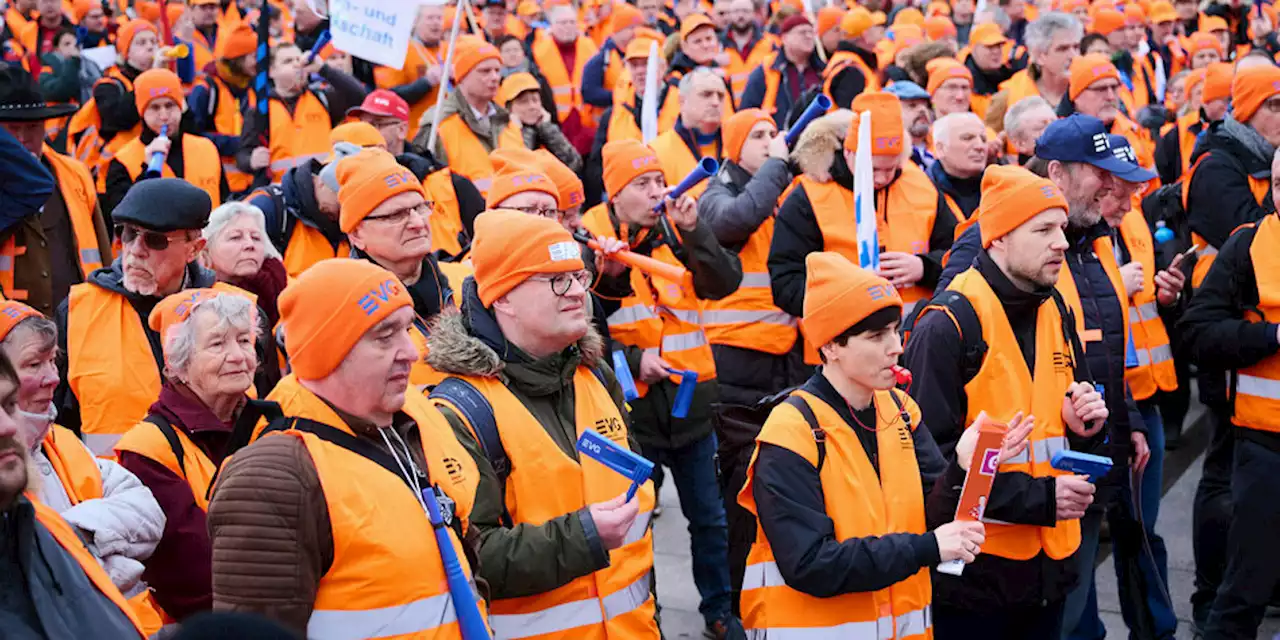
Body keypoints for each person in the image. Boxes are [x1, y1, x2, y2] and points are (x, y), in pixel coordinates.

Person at [740, 251, 1019, 638]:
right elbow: (810, 564)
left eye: (894, 329)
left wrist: (964, 466)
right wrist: (927, 548)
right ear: (831, 346)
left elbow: (934, 514)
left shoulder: (902, 410)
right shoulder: (791, 430)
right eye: (876, 336)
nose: (896, 346)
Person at [208, 258, 481, 637]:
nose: (412, 351)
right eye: (385, 336)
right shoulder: (275, 475)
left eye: (406, 329)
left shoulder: (400, 427)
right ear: (328, 350)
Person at [425, 210, 659, 638]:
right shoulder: (461, 411)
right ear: (503, 298)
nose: (576, 294)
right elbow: (468, 556)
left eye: (578, 276)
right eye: (555, 279)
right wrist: (583, 537)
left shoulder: (594, 376)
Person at [903, 164, 1104, 639]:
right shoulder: (947, 325)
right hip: (976, 579)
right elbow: (929, 471)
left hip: (1049, 570)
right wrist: (1041, 499)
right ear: (997, 240)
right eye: (1042, 230)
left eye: (1060, 227)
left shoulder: (1054, 305)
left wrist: (1086, 427)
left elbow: (1072, 424)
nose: (1061, 241)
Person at [581, 140, 744, 638]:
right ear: (615, 192)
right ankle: (644, 614)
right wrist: (632, 361)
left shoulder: (678, 224)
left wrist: (695, 232)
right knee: (636, 523)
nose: (658, 192)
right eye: (643, 184)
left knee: (710, 520)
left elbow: (724, 282)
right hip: (630, 410)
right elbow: (581, 329)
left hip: (692, 404)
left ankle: (719, 611)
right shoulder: (591, 236)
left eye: (659, 180)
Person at [54, 179, 277, 456]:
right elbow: (58, 425)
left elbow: (267, 413)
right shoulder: (79, 310)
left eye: (155, 239)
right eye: (127, 234)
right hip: (111, 491)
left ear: (194, 249)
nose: (135, 249)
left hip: (218, 489)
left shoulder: (242, 311)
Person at [1183, 63, 1280, 631]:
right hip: (1264, 442)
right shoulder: (1248, 244)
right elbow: (1200, 331)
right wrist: (1271, 336)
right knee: (1243, 588)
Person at [695, 108, 805, 609]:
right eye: (757, 136)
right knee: (739, 495)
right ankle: (737, 606)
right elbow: (734, 221)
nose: (769, 142)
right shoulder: (718, 191)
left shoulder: (785, 186)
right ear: (736, 147)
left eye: (772, 135)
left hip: (794, 358)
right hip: (739, 365)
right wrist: (777, 165)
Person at [2, 300, 166, 631]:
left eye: (53, 361)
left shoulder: (62, 442)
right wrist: (101, 556)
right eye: (34, 364)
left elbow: (150, 512)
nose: (52, 377)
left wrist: (73, 535)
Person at [112, 287, 264, 625]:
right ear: (178, 364)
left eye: (243, 340)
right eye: (217, 344)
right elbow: (194, 575)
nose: (238, 356)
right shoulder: (149, 450)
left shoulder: (271, 423)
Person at [1087, 133, 1181, 640]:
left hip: (1143, 397)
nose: (1128, 201)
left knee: (1143, 532)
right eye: (1118, 190)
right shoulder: (1071, 238)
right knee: (1081, 548)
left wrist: (1169, 293)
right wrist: (1111, 288)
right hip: (1097, 409)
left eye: (1135, 189)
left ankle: (1157, 631)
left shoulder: (1133, 218)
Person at [769, 91, 944, 329]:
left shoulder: (921, 186)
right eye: (872, 168)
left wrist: (925, 267)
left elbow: (959, 254)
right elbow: (785, 283)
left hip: (916, 342)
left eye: (890, 169)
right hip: (838, 351)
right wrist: (847, 296)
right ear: (850, 153)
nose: (881, 178)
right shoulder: (809, 196)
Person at [334, 148, 471, 386]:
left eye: (420, 208)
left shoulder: (467, 282)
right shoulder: (344, 312)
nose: (418, 223)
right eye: (397, 215)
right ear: (357, 234)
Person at [0, 65, 112, 316]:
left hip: (79, 320)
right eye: (11, 130)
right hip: (11, 332)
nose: (22, 139)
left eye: (32, 128)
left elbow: (101, 248)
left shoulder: (75, 172)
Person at [235, 42, 368, 185]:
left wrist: (323, 69)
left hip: (322, 187)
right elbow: (242, 155)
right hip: (281, 190)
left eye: (299, 60)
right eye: (288, 61)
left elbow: (358, 96)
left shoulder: (322, 98)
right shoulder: (260, 110)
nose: (296, 65)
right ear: (272, 71)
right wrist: (251, 160)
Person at [104, 68, 227, 219]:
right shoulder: (122, 161)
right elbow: (122, 219)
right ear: (142, 112)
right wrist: (146, 172)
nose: (164, 116)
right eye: (155, 108)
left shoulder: (206, 148)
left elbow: (225, 203)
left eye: (170, 106)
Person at [421, 35, 524, 200]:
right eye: (484, 71)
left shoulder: (507, 122)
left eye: (497, 70)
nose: (494, 77)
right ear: (462, 76)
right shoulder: (438, 125)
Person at [65, 19, 165, 187]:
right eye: (141, 42)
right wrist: (151, 78)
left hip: (150, 164)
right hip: (113, 174)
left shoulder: (162, 80)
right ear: (126, 52)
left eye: (154, 42)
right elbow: (117, 119)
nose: (150, 47)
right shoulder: (108, 84)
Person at [245, 141, 350, 278]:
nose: (346, 208)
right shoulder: (268, 208)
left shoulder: (355, 221)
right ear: (322, 183)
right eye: (341, 198)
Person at [186, 24, 257, 195]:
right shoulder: (206, 90)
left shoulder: (252, 86)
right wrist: (239, 143)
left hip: (250, 183)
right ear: (238, 59)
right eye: (254, 56)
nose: (259, 61)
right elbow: (193, 136)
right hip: (218, 185)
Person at [985, 12, 1081, 134]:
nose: (1073, 55)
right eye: (1062, 49)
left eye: (1076, 47)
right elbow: (987, 140)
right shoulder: (1008, 96)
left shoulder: (1093, 89)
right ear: (1040, 55)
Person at [200, 202, 288, 330]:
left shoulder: (287, 288)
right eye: (235, 237)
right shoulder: (192, 298)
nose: (250, 244)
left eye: (256, 238)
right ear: (206, 248)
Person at [650, 67, 728, 201]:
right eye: (706, 94)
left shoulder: (738, 145)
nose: (715, 102)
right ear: (682, 101)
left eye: (720, 96)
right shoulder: (657, 151)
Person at [372, 5, 444, 142]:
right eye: (430, 18)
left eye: (439, 18)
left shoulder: (451, 49)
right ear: (416, 21)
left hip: (447, 130)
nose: (435, 22)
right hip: (416, 132)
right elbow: (389, 95)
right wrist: (426, 82)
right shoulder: (400, 51)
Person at [740, 14, 823, 126]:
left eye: (811, 32)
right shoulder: (766, 70)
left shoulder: (823, 71)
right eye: (802, 32)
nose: (808, 36)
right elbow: (746, 113)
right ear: (784, 38)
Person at [1155, 63, 1231, 184]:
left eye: (1213, 93)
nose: (1206, 98)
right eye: (1200, 93)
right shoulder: (1173, 134)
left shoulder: (1234, 127)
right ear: (1189, 99)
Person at [497, 72, 583, 171]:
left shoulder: (545, 128)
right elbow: (522, 168)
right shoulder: (502, 134)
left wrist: (547, 129)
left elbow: (575, 163)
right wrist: (521, 131)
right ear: (509, 108)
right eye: (523, 102)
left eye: (535, 100)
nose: (532, 106)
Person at [531, 5, 599, 128]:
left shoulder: (590, 46)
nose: (568, 26)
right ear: (552, 26)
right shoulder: (539, 51)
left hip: (587, 121)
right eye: (563, 23)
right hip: (555, 121)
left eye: (572, 22)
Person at [928, 112, 989, 225]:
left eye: (984, 139)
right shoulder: (923, 191)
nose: (980, 146)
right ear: (940, 148)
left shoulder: (1001, 187)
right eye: (967, 138)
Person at [823, 7, 883, 108]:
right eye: (874, 28)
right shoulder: (850, 70)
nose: (880, 32)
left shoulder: (854, 62)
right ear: (865, 35)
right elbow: (849, 115)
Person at [721, 0, 776, 104]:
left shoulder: (770, 42)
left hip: (761, 107)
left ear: (753, 14)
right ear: (730, 14)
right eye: (736, 11)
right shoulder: (718, 45)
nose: (741, 15)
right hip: (728, 110)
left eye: (745, 11)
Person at [965, 23, 1015, 115]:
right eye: (989, 47)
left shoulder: (1011, 75)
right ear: (973, 48)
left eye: (999, 46)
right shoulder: (964, 83)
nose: (996, 51)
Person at [886, 81, 938, 169]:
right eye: (912, 105)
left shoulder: (944, 147)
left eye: (926, 106)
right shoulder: (887, 158)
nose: (922, 110)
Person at [1003, 95, 1056, 164]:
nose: (1054, 130)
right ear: (1020, 144)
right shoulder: (1015, 174)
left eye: (1055, 123)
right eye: (1041, 127)